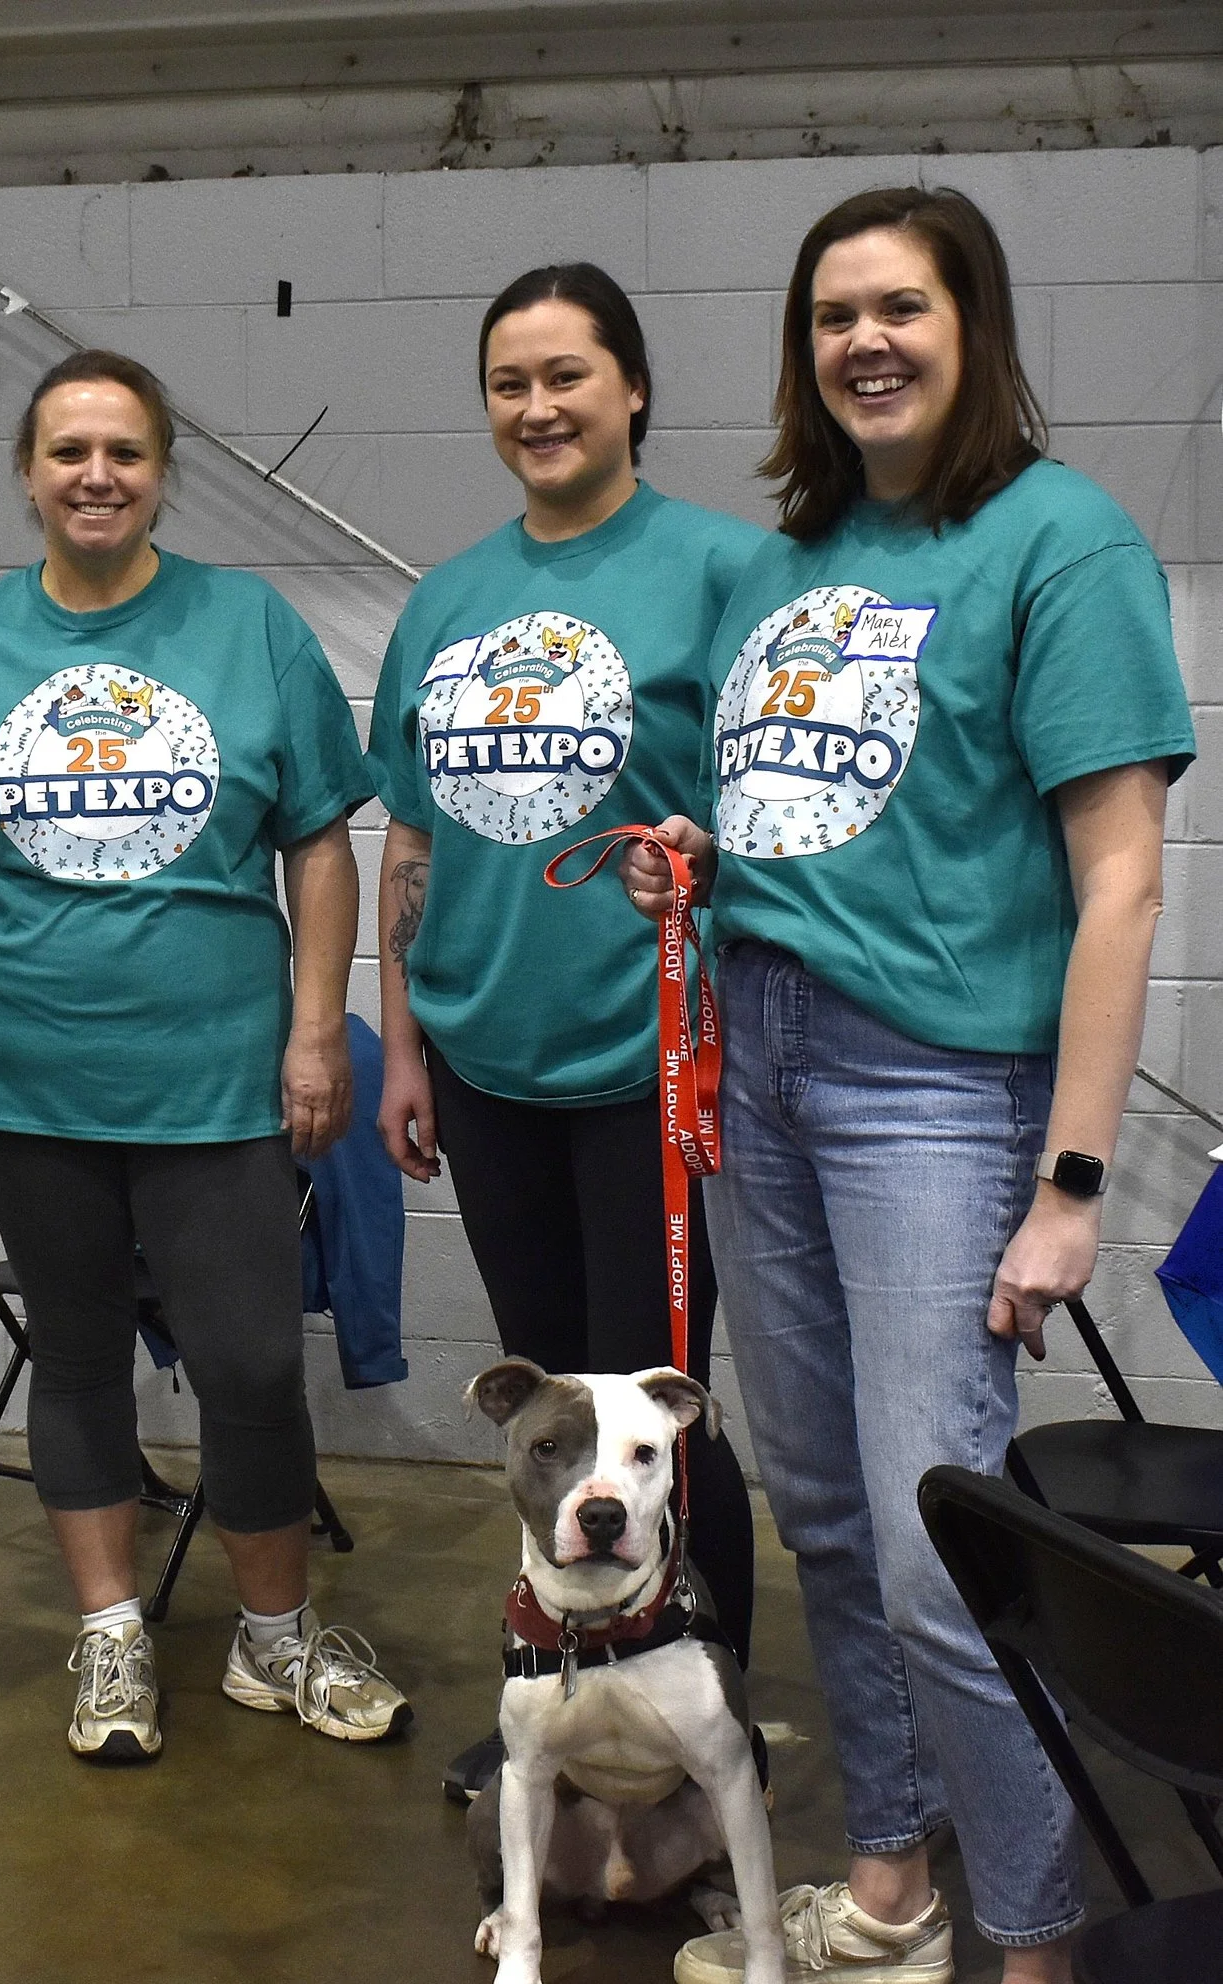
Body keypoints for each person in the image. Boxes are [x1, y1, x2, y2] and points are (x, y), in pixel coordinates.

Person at [620, 188, 1194, 1984]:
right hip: (762, 1050)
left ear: (974, 328)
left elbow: (1122, 878)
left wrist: (1074, 1179)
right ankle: (890, 1881)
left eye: (903, 308)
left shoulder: (1061, 540)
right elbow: (843, 802)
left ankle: (1030, 1944)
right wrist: (707, 853)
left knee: (944, 1541)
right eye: (832, 315)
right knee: (826, 1509)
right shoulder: (791, 564)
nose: (865, 340)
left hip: (933, 1095)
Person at [0, 349, 409, 1764]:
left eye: (126, 453)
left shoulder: (249, 626)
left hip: (219, 1071)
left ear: (162, 474)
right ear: (28, 476)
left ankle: (276, 1637)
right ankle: (109, 1638)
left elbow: (321, 838)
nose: (97, 475)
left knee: (252, 1359)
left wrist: (317, 1022)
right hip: (27, 1071)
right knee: (78, 1353)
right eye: (70, 451)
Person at [365, 264, 766, 1804]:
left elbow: (782, 801)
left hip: (645, 1059)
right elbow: (410, 836)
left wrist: (710, 854)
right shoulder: (448, 598)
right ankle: (559, 1691)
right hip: (483, 1057)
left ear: (634, 389)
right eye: (510, 383)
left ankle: (706, 1708)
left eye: (567, 376)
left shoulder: (724, 571)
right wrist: (402, 1047)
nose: (537, 407)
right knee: (549, 1418)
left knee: (658, 1402)